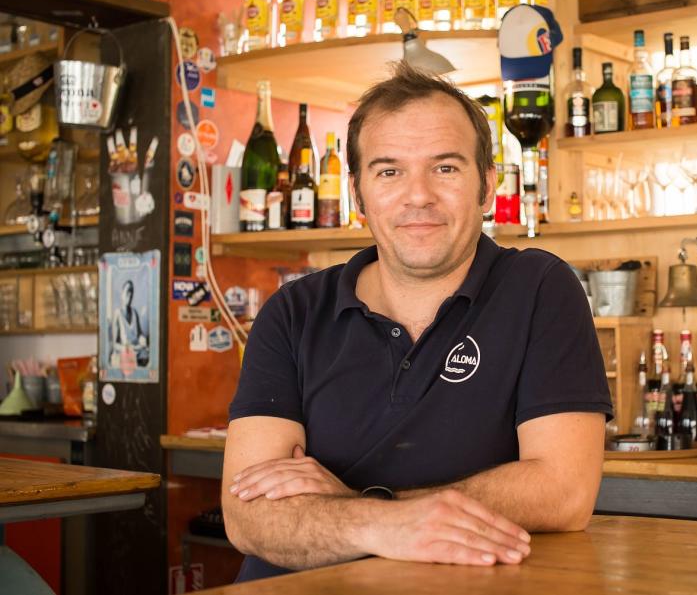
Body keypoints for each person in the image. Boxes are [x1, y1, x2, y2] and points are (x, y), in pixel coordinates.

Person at [222, 63, 612, 582]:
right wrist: (384, 524)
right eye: (389, 171)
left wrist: (361, 506)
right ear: (358, 194)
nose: (418, 195)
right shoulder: (293, 312)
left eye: (446, 168)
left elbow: (564, 492)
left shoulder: (539, 288)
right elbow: (248, 516)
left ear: (487, 186)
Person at [110, 279, 148, 368]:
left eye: (131, 292)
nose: (129, 295)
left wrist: (142, 339)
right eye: (127, 292)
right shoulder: (117, 314)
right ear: (121, 294)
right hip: (122, 357)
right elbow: (115, 345)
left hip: (135, 354)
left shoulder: (134, 312)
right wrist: (126, 348)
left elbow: (139, 334)